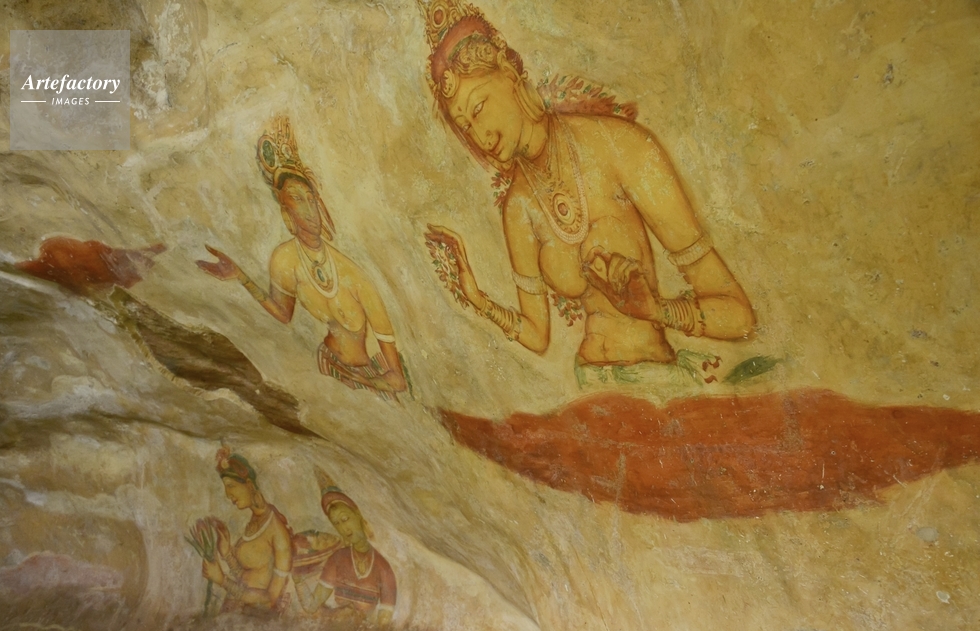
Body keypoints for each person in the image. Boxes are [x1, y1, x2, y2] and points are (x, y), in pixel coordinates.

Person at [420, 1, 756, 374]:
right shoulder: (517, 206)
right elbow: (537, 335)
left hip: (655, 378)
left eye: (479, 108)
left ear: (508, 73)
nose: (479, 135)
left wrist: (657, 311)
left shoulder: (621, 146)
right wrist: (478, 299)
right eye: (466, 126)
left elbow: (739, 315)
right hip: (589, 380)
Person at [197, 116, 407, 398]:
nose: (309, 210)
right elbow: (283, 314)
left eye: (310, 199)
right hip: (326, 363)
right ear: (286, 214)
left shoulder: (354, 275)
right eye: (297, 200)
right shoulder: (285, 259)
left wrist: (360, 380)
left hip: (363, 375)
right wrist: (241, 277)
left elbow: (397, 381)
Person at [298, 469, 396, 628]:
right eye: (336, 523)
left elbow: (382, 626)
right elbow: (311, 605)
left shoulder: (383, 568)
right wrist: (298, 582)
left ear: (357, 515)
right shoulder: (337, 559)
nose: (343, 528)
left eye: (345, 519)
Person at [202, 446, 293, 614]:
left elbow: (270, 600)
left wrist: (222, 580)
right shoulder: (255, 521)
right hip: (236, 614)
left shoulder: (277, 532)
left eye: (231, 485)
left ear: (249, 485)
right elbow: (246, 576)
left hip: (255, 620)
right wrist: (226, 552)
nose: (228, 494)